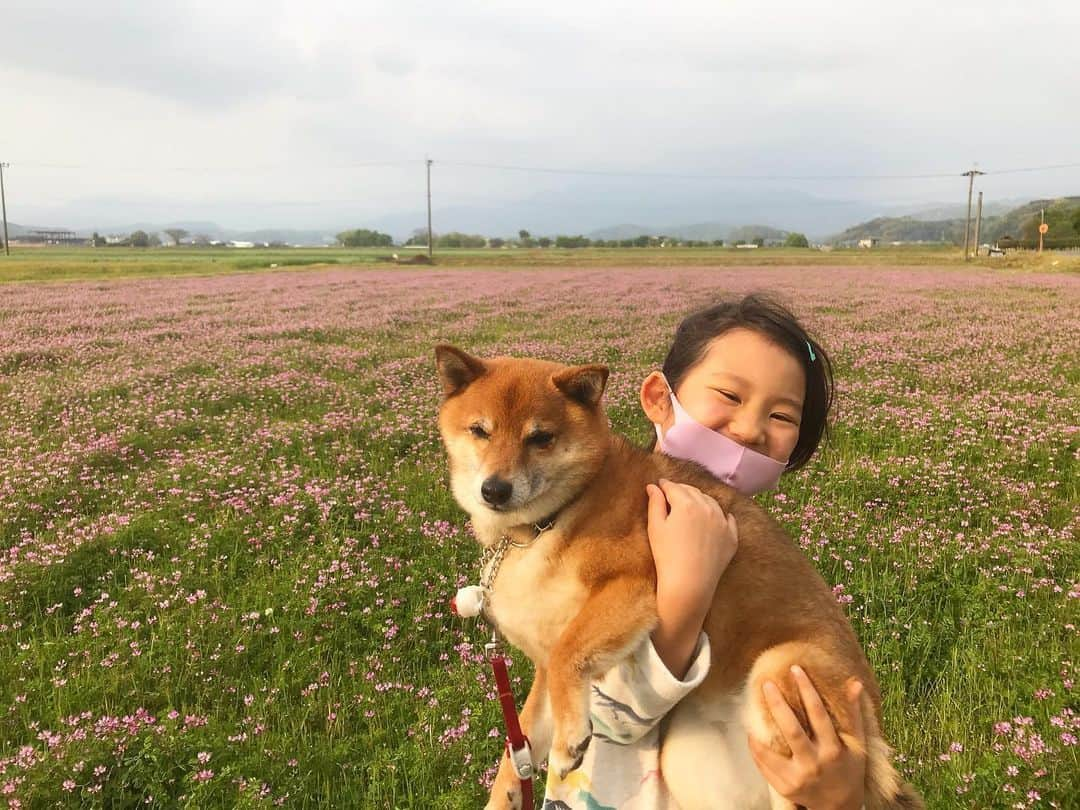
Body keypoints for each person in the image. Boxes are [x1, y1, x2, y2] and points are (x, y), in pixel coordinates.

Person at [542, 294, 867, 810]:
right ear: (657, 398)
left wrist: (843, 798)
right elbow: (586, 711)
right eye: (730, 396)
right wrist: (685, 596)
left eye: (783, 415)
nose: (750, 428)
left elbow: (834, 764)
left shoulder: (765, 561)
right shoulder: (596, 524)